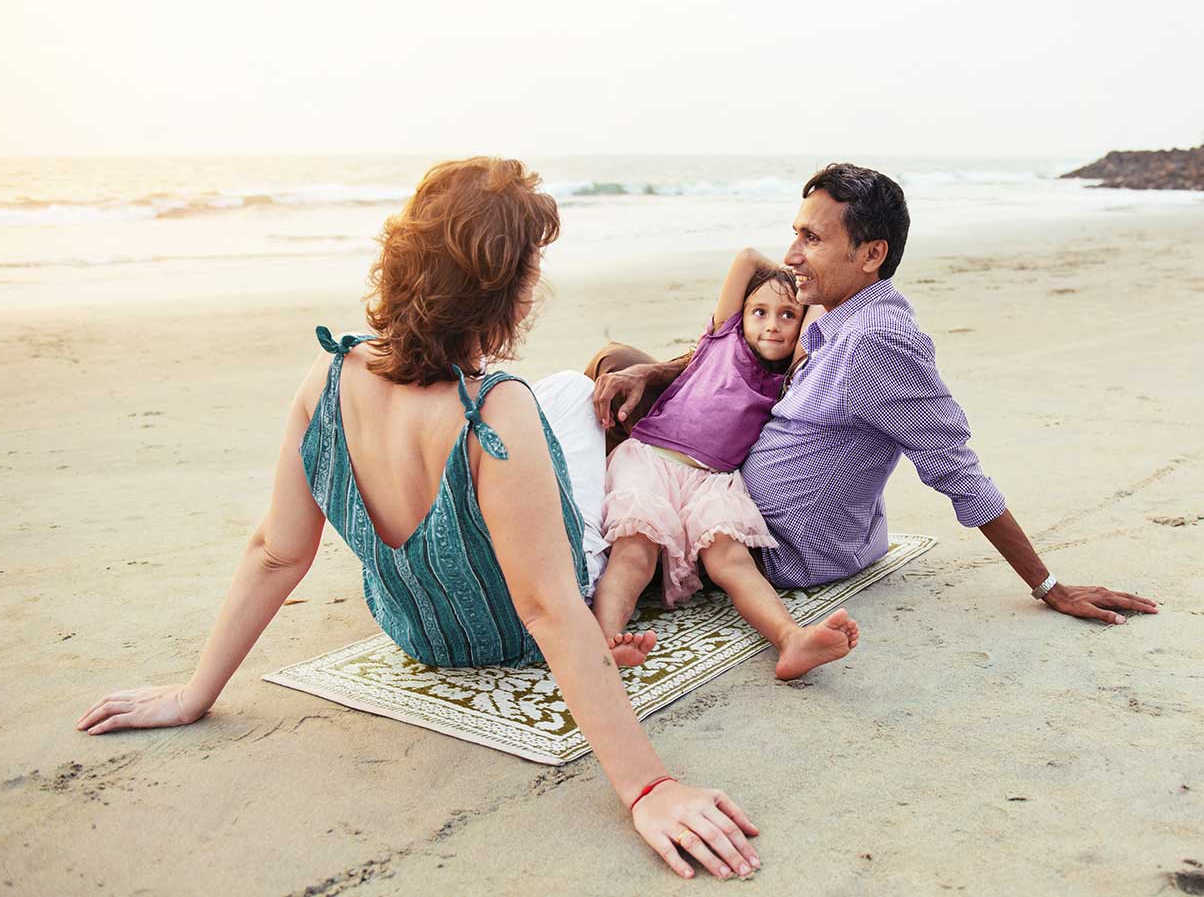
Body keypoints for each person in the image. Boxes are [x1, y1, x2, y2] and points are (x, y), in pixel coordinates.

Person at [75, 158, 761, 881]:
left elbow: (277, 553)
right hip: (514, 630)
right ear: (509, 294)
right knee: (573, 399)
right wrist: (647, 787)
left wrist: (194, 695)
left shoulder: (328, 376)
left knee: (562, 395)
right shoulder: (498, 409)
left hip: (418, 633)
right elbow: (549, 609)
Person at [591, 163, 1158, 625]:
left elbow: (957, 470)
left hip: (775, 544)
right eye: (795, 233)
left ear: (871, 255)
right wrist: (658, 372)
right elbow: (745, 312)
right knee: (619, 366)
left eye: (811, 238)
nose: (790, 255)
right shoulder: (837, 309)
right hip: (729, 483)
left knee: (605, 393)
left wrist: (1049, 586)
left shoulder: (879, 344)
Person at [590, 250, 860, 680]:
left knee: (732, 560)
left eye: (788, 316)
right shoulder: (720, 339)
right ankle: (604, 643)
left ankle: (790, 639)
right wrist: (785, 275)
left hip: (714, 481)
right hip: (651, 460)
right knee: (634, 552)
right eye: (760, 312)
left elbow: (819, 311)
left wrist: (806, 296)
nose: (772, 323)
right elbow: (747, 258)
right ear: (742, 315)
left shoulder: (788, 375)